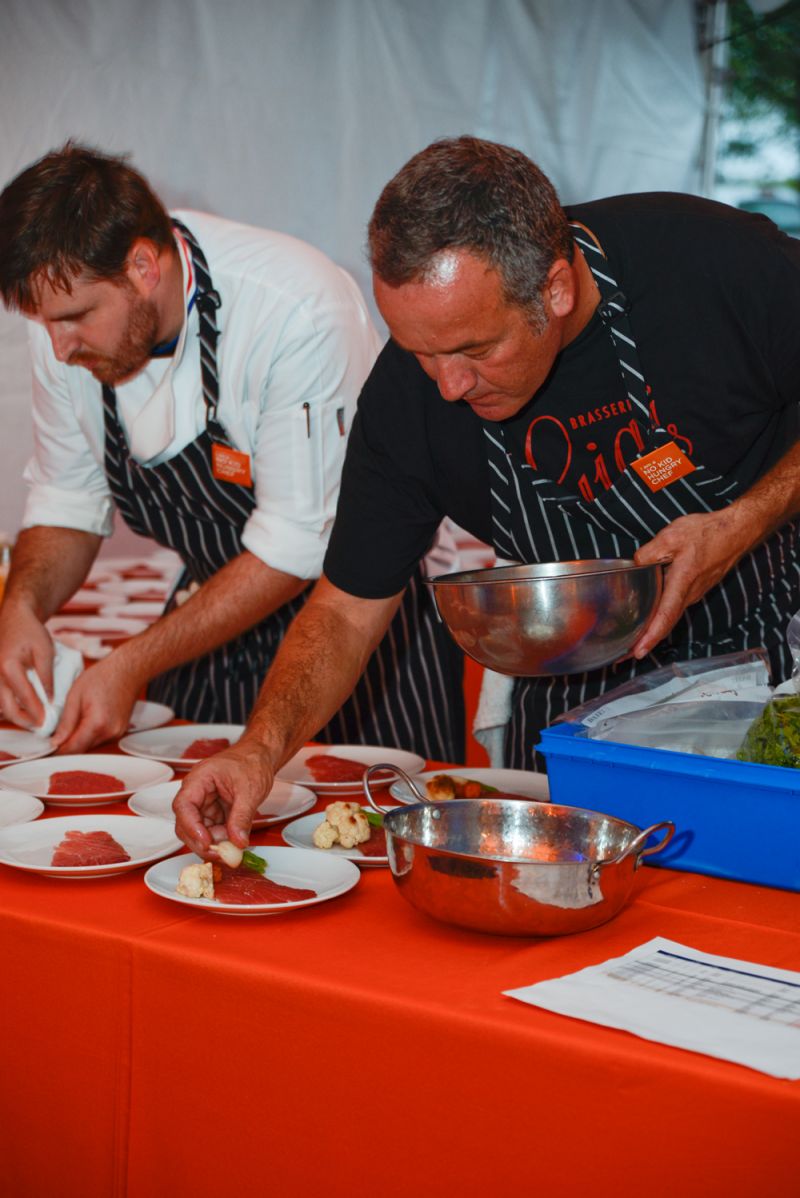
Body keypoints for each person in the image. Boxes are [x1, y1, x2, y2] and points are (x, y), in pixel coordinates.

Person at [173, 132, 800, 857]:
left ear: (556, 289)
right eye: (419, 351)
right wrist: (259, 748)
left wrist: (742, 522)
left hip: (775, 669)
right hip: (578, 709)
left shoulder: (704, 262)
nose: (448, 386)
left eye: (475, 350)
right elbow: (345, 610)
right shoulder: (409, 399)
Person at [0, 141, 465, 762]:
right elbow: (68, 500)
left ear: (143, 266)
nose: (58, 349)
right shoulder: (65, 327)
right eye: (44, 323)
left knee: (368, 828)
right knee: (188, 829)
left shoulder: (293, 308)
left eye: (76, 318)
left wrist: (133, 659)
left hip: (359, 619)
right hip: (211, 621)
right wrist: (22, 609)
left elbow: (299, 542)